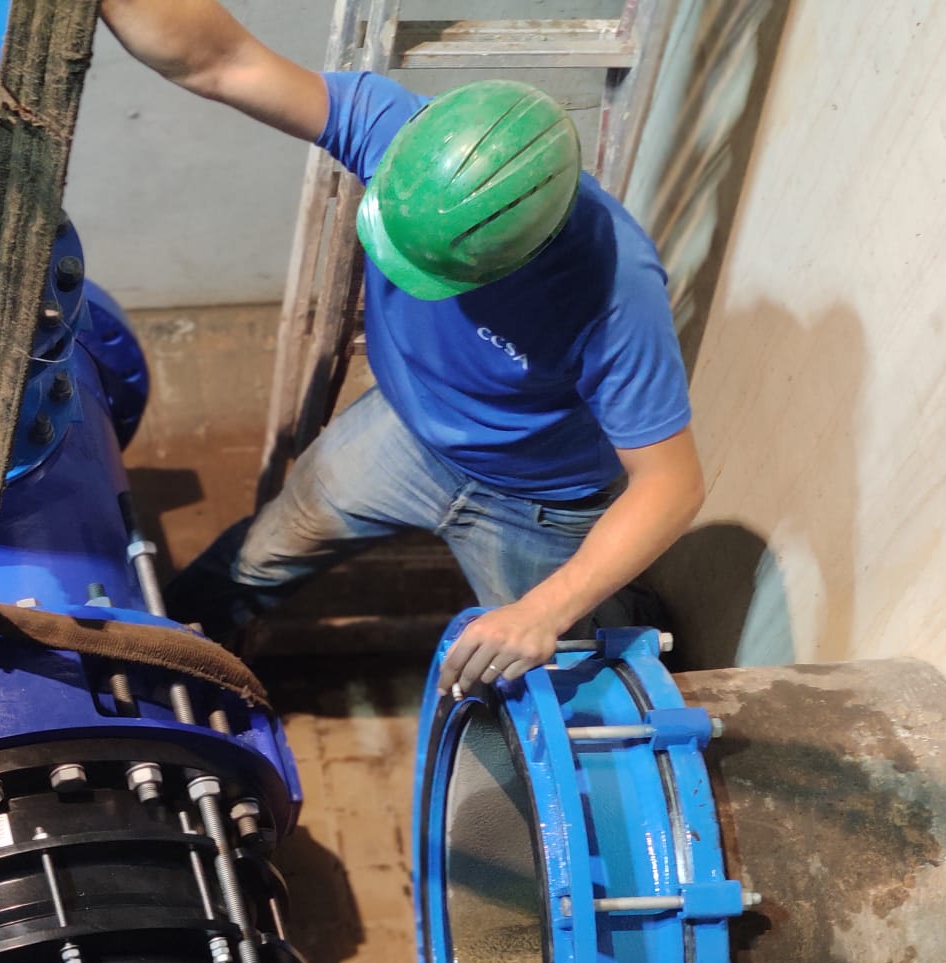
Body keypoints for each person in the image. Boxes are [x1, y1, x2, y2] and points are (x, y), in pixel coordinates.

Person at [100, 0, 705, 695]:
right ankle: (154, 671)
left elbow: (671, 484)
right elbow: (220, 60)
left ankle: (618, 617)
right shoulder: (399, 134)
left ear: (522, 256)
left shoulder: (615, 290)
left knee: (556, 679)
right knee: (258, 559)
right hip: (401, 432)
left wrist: (541, 612)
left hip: (536, 501)